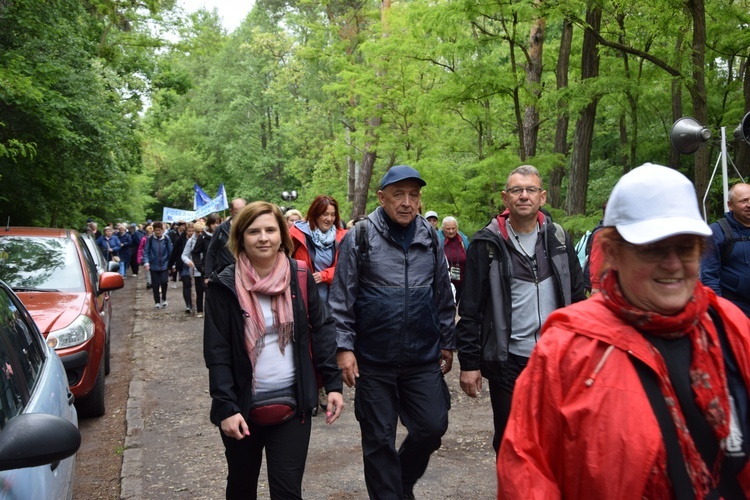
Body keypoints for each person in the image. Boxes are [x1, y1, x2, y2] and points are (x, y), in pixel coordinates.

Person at [497, 163, 750, 498]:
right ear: (613, 252)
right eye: (653, 248)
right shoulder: (566, 347)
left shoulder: (730, 326)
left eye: (686, 247)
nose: (673, 263)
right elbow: (526, 469)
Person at [329, 165, 456, 500]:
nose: (406, 202)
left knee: (432, 427)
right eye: (398, 194)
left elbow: (442, 293)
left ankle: (400, 482)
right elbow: (341, 297)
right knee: (379, 440)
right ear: (381, 197)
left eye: (413, 195)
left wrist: (447, 340)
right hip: (374, 360)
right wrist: (344, 348)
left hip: (421, 357)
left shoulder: (429, 237)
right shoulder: (360, 236)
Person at [203, 201, 344, 499]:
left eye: (270, 229)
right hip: (242, 408)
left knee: (287, 492)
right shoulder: (223, 286)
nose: (263, 237)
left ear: (283, 234)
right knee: (241, 488)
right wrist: (226, 407)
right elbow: (217, 352)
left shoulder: (300, 276)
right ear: (240, 237)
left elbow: (322, 328)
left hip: (293, 406)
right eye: (254, 231)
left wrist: (333, 383)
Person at [456, 164, 585, 454]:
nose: (523, 196)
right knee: (511, 440)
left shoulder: (559, 239)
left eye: (530, 190)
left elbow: (577, 297)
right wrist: (469, 363)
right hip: (509, 361)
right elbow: (471, 309)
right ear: (505, 198)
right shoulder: (486, 244)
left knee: (558, 440)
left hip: (557, 360)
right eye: (516, 190)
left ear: (543, 197)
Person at [700, 183, 750, 317]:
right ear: (730, 205)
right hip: (735, 309)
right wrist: (719, 311)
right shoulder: (717, 232)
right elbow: (709, 276)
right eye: (743, 201)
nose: (749, 204)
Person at [205, 198, 246, 283]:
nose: (241, 215)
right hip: (226, 273)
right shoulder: (221, 229)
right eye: (237, 212)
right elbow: (211, 251)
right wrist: (207, 275)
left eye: (244, 211)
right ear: (231, 211)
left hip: (246, 272)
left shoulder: (251, 227)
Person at [438, 216, 469, 302]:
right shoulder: (438, 240)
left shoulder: (463, 239)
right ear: (443, 228)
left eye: (453, 228)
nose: (451, 231)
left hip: (463, 282)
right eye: (448, 229)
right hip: (445, 284)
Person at [142, 221, 173, 309]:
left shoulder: (166, 239)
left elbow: (170, 251)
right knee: (155, 284)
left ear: (162, 230)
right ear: (154, 230)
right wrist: (146, 262)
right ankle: (157, 301)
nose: (158, 232)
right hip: (153, 265)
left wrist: (172, 264)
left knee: (164, 282)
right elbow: (146, 251)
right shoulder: (150, 239)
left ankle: (164, 298)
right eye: (156, 230)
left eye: (160, 230)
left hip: (164, 264)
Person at [175, 222, 195, 313]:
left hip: (196, 266)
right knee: (186, 285)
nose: (191, 232)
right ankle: (188, 305)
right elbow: (175, 252)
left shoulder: (198, 239)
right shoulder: (181, 240)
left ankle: (195, 304)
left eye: (193, 231)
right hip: (184, 266)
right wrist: (172, 265)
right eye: (189, 231)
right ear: (186, 231)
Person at [138, 225, 154, 289]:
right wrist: (140, 257)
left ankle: (152, 282)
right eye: (149, 231)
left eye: (151, 231)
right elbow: (140, 248)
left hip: (153, 256)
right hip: (147, 256)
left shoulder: (154, 238)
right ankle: (149, 282)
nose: (150, 232)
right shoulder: (144, 238)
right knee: (148, 270)